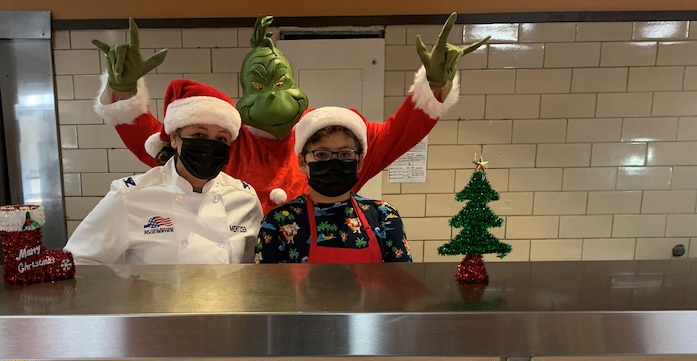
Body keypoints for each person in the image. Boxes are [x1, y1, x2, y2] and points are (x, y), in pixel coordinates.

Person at [92, 14, 487, 213]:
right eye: (260, 86)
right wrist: (122, 88)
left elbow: (403, 131)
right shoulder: (221, 140)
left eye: (281, 83)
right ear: (242, 95)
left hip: (319, 285)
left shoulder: (330, 138)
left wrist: (435, 84)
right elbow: (149, 136)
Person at [65, 80, 262, 265]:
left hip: (227, 302)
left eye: (221, 139)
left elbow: (253, 269)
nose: (209, 146)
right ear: (175, 139)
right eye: (199, 135)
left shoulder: (244, 198)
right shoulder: (130, 196)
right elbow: (78, 260)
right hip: (156, 303)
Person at [255, 106, 412, 264]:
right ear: (302, 162)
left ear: (359, 162)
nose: (334, 162)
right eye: (322, 155)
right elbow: (267, 287)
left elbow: (400, 284)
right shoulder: (278, 222)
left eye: (345, 154)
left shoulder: (383, 216)